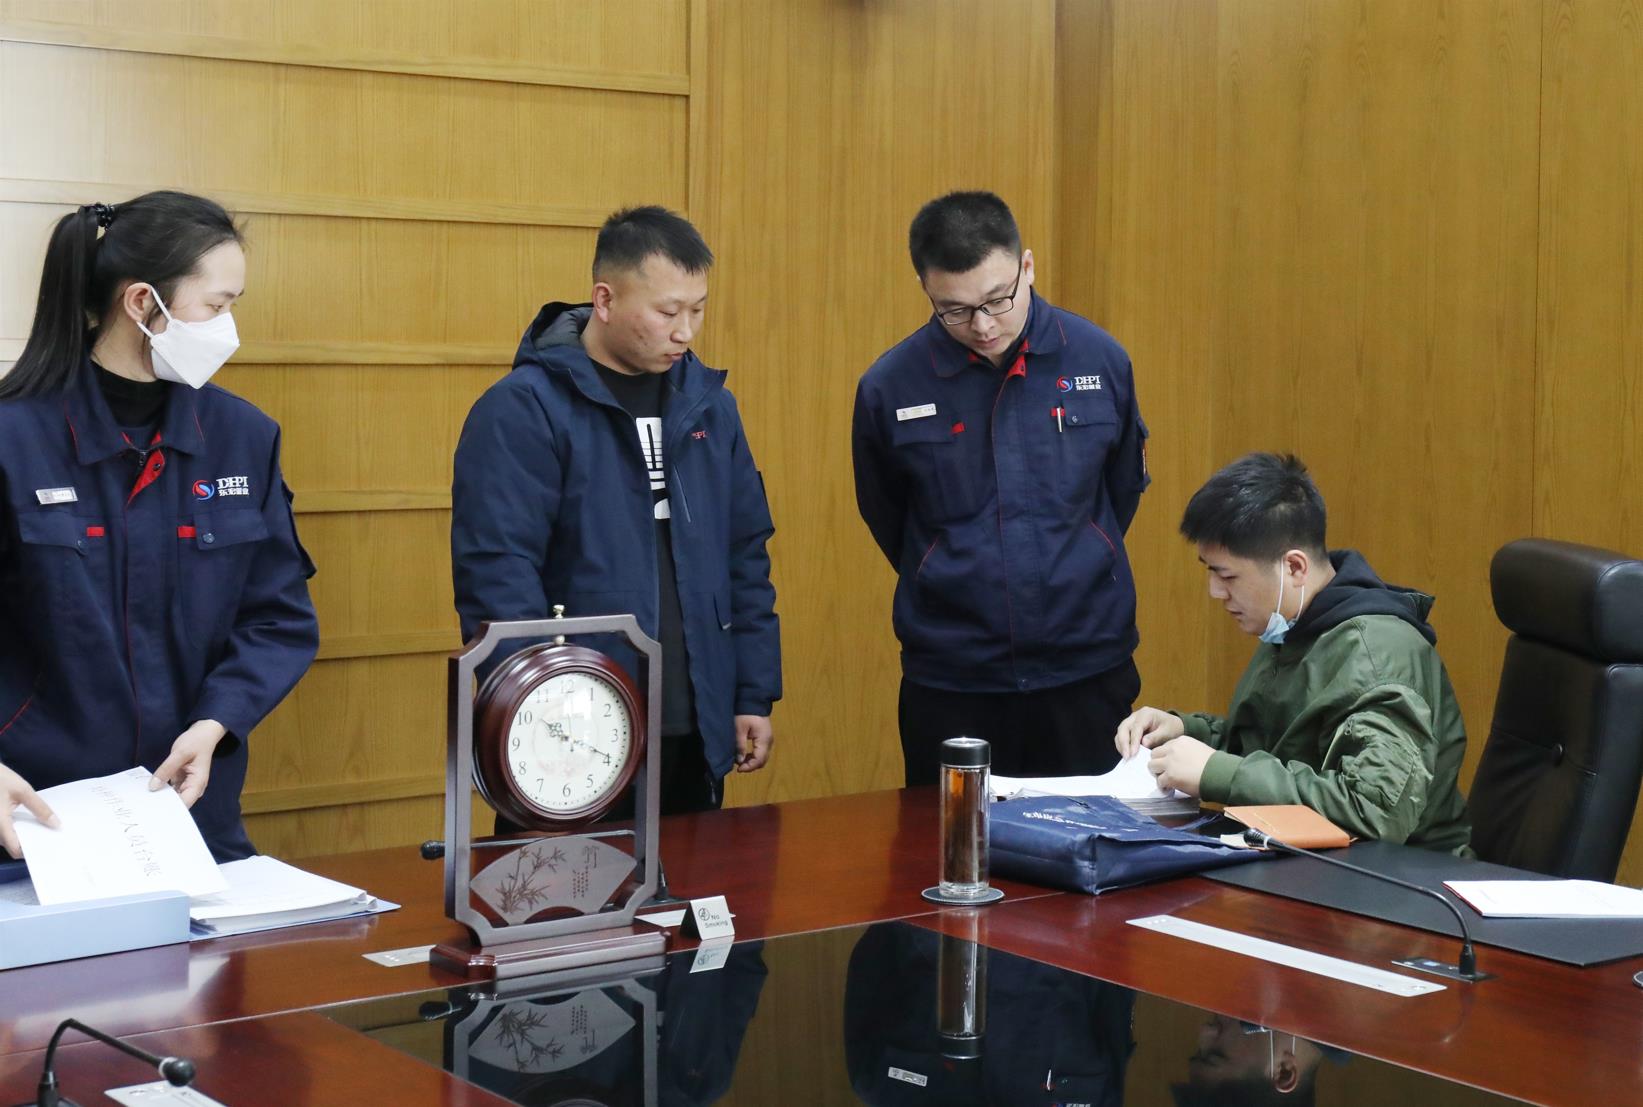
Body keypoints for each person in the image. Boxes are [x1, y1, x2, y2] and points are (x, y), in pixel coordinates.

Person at [0, 191, 319, 862]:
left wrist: (217, 720)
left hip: (187, 813)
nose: (229, 329)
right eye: (217, 306)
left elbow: (277, 617)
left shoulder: (242, 436)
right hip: (31, 817)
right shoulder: (13, 437)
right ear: (143, 302)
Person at [451, 206, 779, 816]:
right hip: (574, 732)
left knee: (697, 875)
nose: (686, 332)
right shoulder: (524, 409)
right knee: (569, 879)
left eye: (698, 310)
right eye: (667, 312)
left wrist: (751, 694)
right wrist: (541, 710)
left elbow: (744, 555)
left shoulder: (710, 408)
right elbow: (497, 573)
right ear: (605, 299)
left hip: (697, 722)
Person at [853, 190, 1149, 786]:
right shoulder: (890, 386)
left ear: (1027, 266)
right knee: (952, 840)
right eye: (956, 310)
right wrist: (948, 569)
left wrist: (1077, 555)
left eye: (997, 300)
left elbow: (1119, 494)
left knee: (1090, 838)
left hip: (1085, 670)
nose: (983, 325)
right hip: (954, 680)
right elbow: (887, 514)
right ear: (926, 290)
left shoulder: (1099, 360)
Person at [1113, 452, 1471, 852]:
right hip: (1309, 862)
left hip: (1402, 876)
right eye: (1210, 571)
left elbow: (1374, 810)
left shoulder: (1376, 656)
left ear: (1295, 568)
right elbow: (1276, 751)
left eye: (1227, 575)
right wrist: (1185, 732)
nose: (1215, 591)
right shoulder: (1296, 625)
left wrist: (1218, 773)